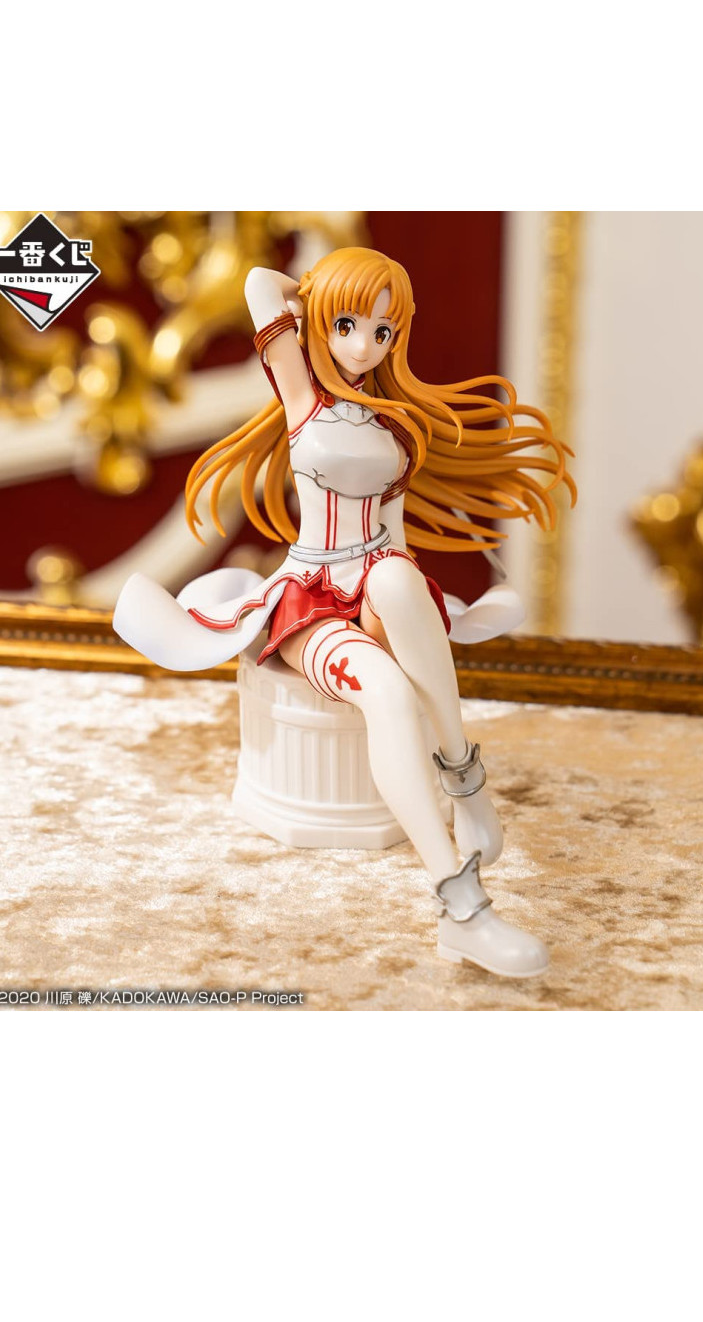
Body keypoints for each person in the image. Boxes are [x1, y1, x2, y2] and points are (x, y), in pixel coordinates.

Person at [114, 246, 576, 978]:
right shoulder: (304, 398)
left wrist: (405, 609)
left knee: (395, 575)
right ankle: (462, 907)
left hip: (376, 584)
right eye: (348, 325)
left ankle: (466, 784)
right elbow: (259, 284)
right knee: (386, 693)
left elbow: (393, 539)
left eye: (383, 332)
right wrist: (319, 294)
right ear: (324, 323)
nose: (363, 346)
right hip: (310, 595)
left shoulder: (397, 429)